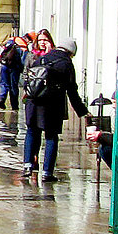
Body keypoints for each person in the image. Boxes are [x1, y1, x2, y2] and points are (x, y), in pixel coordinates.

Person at [22, 35, 90, 182]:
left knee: (32, 132)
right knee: (51, 137)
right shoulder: (66, 64)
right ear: (71, 52)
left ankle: (27, 165)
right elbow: (72, 91)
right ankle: (47, 173)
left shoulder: (42, 59)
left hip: (33, 103)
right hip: (52, 105)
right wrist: (83, 111)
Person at [0, 35, 27, 110]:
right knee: (13, 86)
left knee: (4, 83)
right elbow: (23, 61)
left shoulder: (11, 41)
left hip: (5, 66)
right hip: (14, 67)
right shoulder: (23, 46)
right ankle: (14, 105)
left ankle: (2, 98)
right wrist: (22, 70)